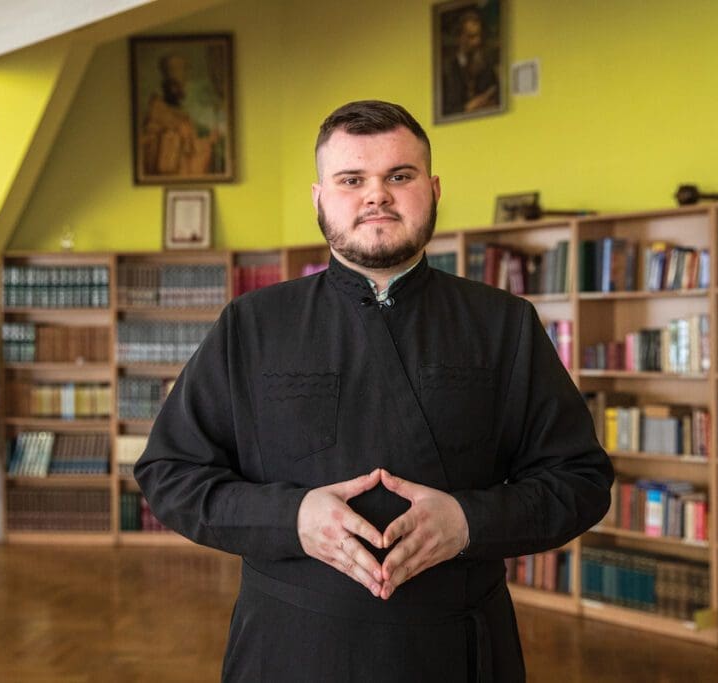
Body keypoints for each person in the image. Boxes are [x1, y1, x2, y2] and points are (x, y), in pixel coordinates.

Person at [135, 100, 614, 682]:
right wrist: (291, 519)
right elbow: (169, 473)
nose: (376, 195)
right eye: (352, 179)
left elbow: (581, 481)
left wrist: (468, 521)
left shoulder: (504, 323)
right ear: (319, 198)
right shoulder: (252, 324)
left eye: (399, 176)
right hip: (288, 646)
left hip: (455, 649)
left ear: (433, 189)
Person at [441, 10, 500, 116]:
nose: (477, 42)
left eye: (479, 36)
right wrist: (467, 107)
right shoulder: (446, 69)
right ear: (460, 37)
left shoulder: (487, 67)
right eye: (471, 36)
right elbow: (443, 110)